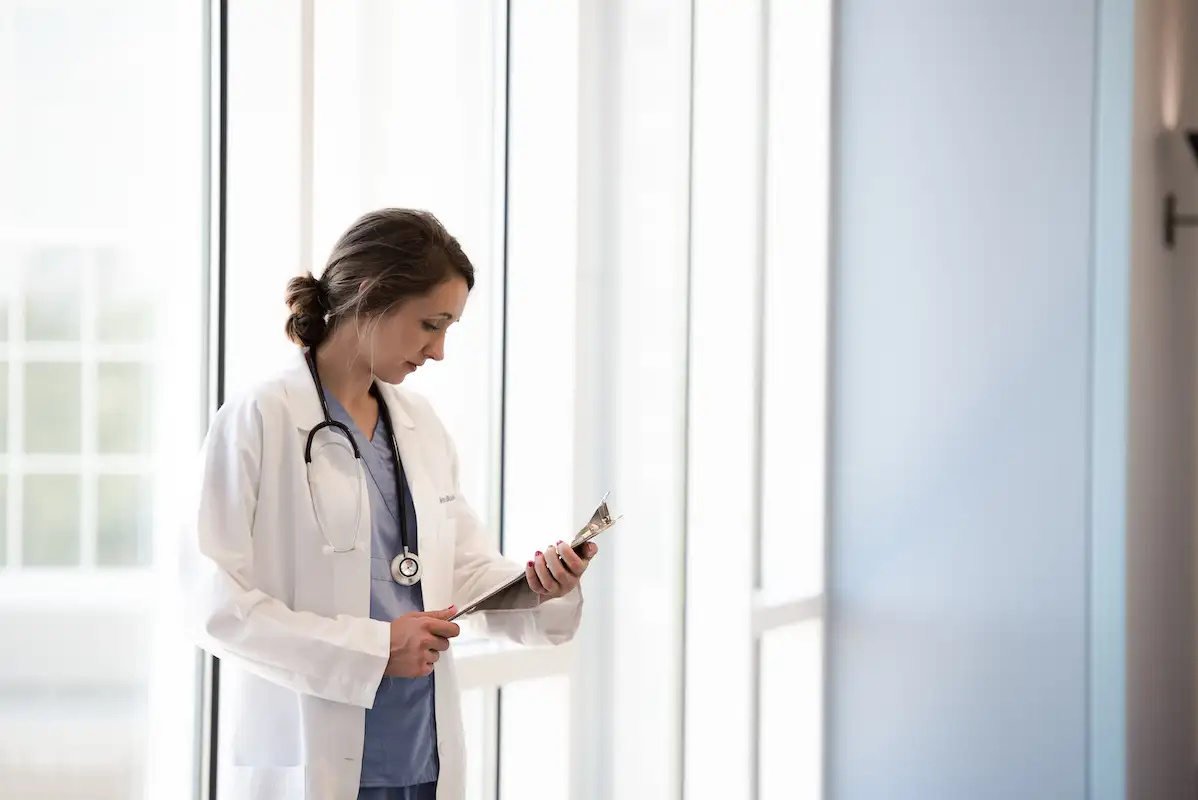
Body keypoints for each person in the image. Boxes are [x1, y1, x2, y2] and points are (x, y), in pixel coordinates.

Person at [179, 209, 598, 800]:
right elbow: (216, 606)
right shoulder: (260, 418)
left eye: (449, 328)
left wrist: (540, 585)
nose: (440, 351)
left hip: (419, 753)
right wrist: (375, 650)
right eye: (431, 324)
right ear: (373, 297)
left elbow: (462, 571)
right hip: (314, 751)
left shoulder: (420, 425)